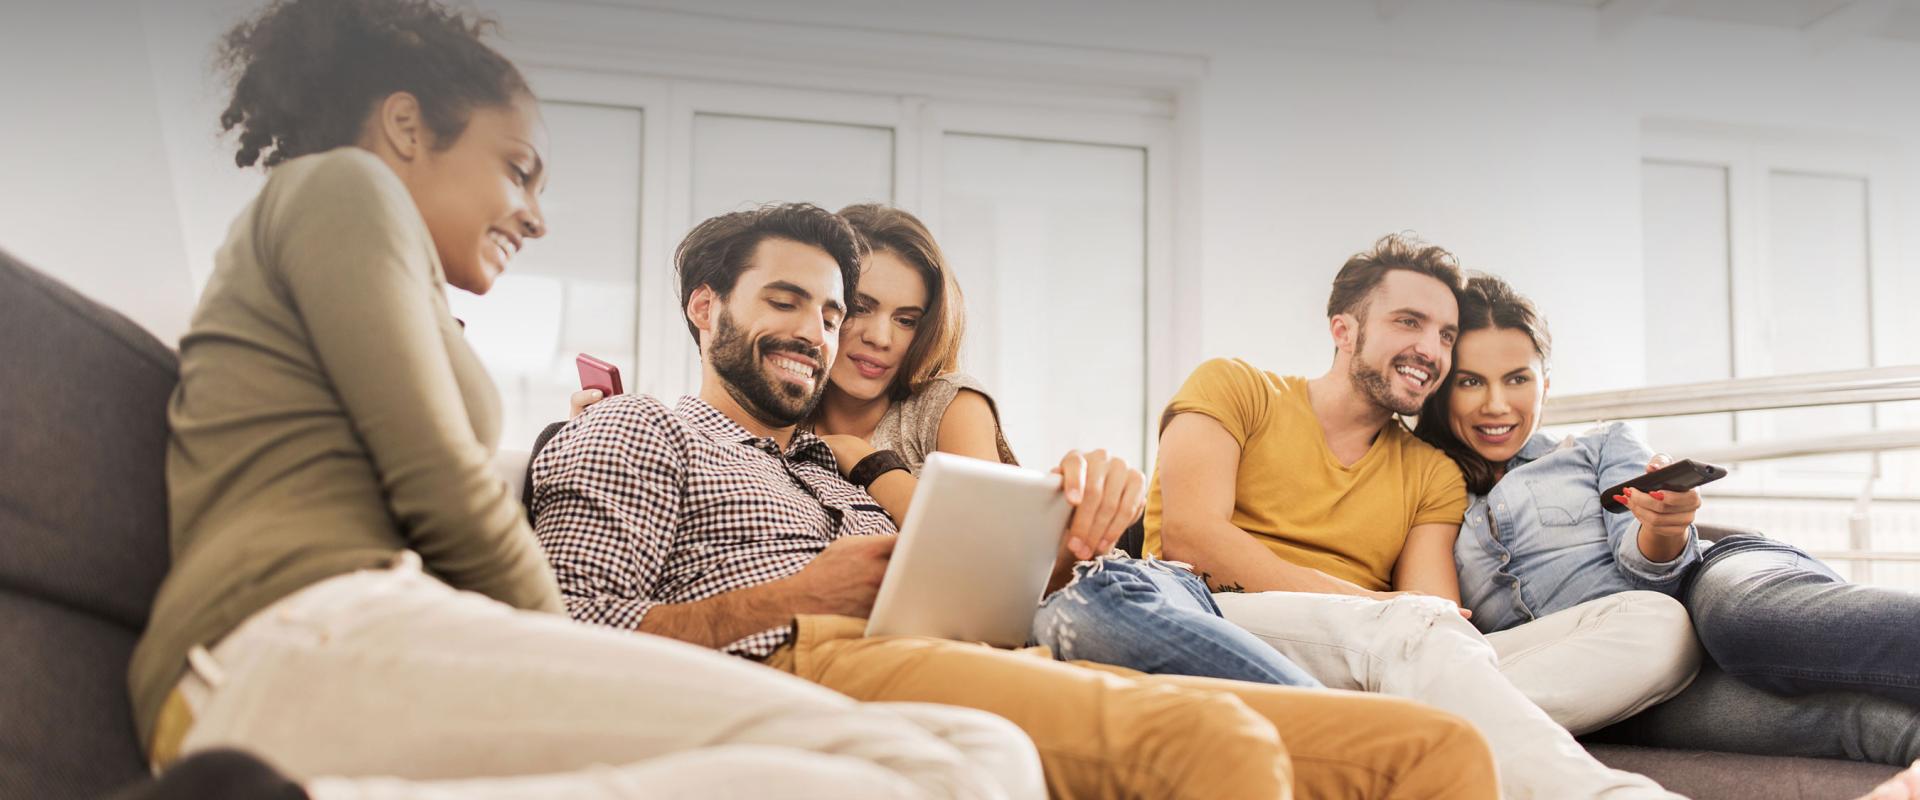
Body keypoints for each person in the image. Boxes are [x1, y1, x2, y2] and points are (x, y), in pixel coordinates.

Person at [128, 1, 1048, 797]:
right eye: (519, 169)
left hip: (384, 631)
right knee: (946, 775)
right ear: (406, 127)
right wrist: (580, 646)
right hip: (285, 639)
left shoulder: (411, 298)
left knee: (986, 754)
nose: (535, 215)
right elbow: (438, 482)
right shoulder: (341, 185)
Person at [532, 203, 1500, 799]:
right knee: (1212, 740)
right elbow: (571, 635)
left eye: (833, 311)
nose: (821, 332)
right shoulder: (636, 428)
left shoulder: (846, 462)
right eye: (786, 301)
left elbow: (1003, 592)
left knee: (1432, 749)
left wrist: (1071, 543)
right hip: (809, 657)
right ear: (707, 307)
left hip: (983, 650)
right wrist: (792, 598)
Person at [1113, 234, 1698, 798]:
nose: (1431, 349)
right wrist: (1383, 611)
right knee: (1411, 629)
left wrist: (1404, 621)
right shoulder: (1236, 388)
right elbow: (1193, 541)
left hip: (1371, 658)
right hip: (1214, 618)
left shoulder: (1430, 471)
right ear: (1344, 329)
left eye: (1445, 334)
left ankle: (1377, 734)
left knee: (1659, 624)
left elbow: (1441, 622)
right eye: (1409, 322)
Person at [1412, 272, 1920, 768]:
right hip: (1630, 679)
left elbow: (1648, 566)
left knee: (1740, 623)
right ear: (1441, 389)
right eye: (1471, 382)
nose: (1496, 404)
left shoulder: (1597, 446)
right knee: (1864, 724)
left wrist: (1662, 527)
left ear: (1544, 383)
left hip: (1711, 581)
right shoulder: (1423, 493)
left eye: (1517, 379)